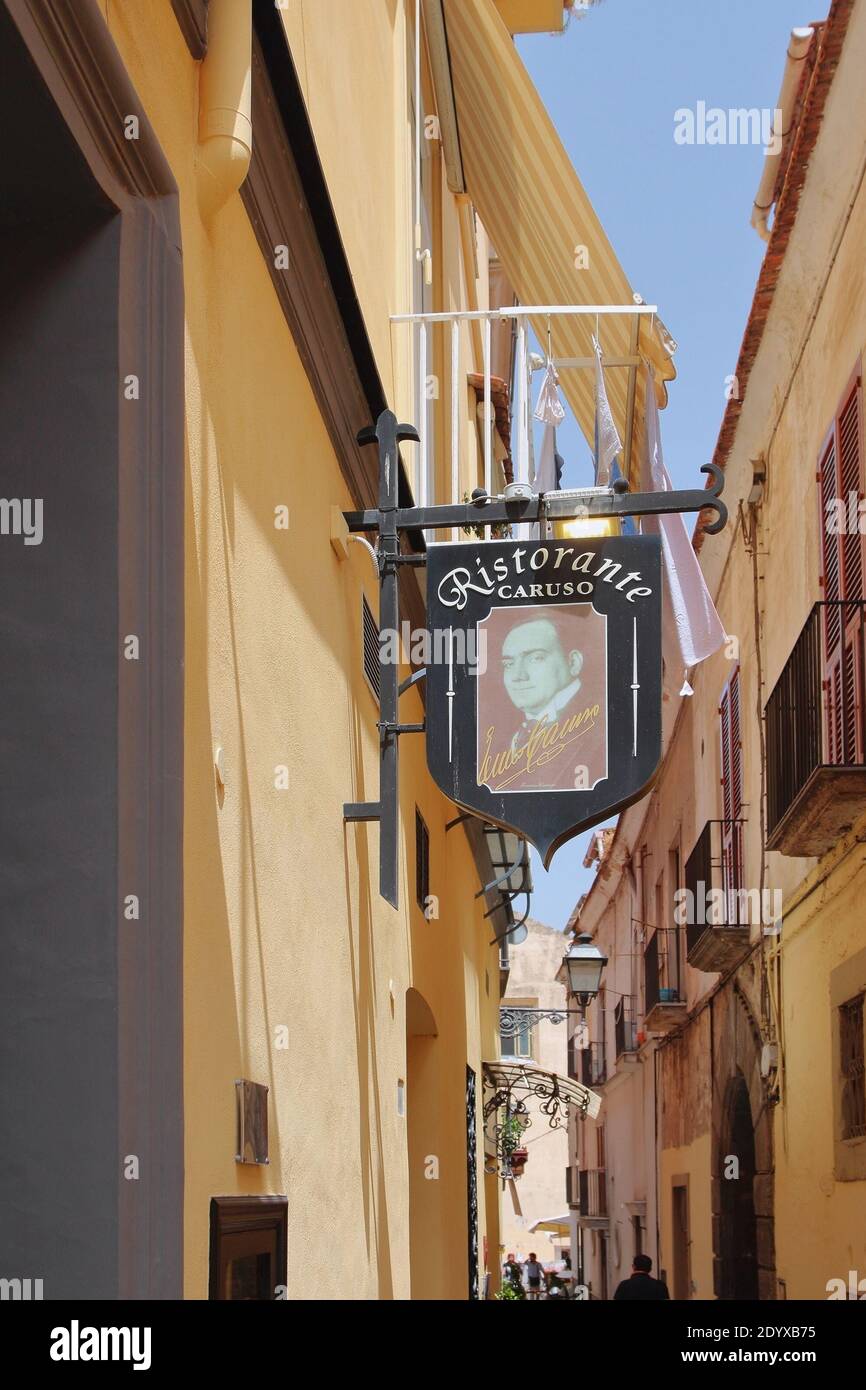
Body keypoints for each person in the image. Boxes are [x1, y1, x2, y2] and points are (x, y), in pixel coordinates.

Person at [477, 610, 606, 793]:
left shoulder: (605, 723)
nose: (518, 676)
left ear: (573, 662)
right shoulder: (495, 737)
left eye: (536, 658)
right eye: (509, 664)